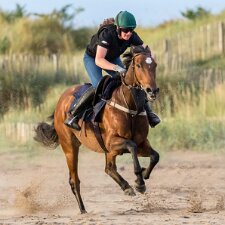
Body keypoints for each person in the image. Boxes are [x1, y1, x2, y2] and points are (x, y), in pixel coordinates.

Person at [64, 10, 160, 130]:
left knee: (129, 82)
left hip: (112, 57)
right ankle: (73, 115)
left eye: (131, 29)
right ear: (118, 28)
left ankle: (149, 113)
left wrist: (151, 57)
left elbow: (145, 49)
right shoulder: (107, 34)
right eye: (125, 30)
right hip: (93, 59)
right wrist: (118, 68)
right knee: (98, 85)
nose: (128, 33)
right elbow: (99, 60)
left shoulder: (132, 35)